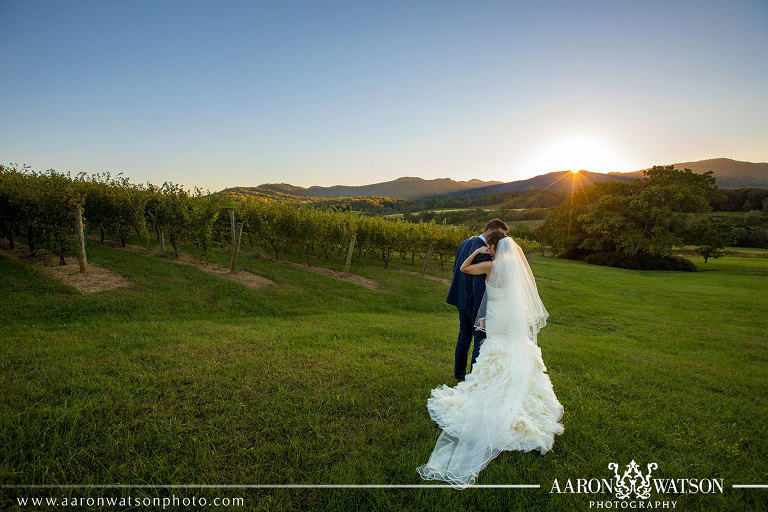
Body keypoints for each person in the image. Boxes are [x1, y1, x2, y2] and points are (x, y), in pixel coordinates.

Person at [417, 233, 564, 489]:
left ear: (493, 247)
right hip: (512, 321)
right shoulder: (517, 270)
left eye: (491, 247)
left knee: (494, 351)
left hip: (496, 319)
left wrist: (477, 253)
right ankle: (518, 390)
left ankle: (493, 388)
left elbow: (464, 268)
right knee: (515, 351)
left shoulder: (490, 265)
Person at [446, 219, 509, 383]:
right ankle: (474, 379)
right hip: (475, 303)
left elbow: (456, 268)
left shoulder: (466, 242)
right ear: (491, 232)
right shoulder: (485, 252)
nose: (501, 239)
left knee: (463, 337)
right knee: (479, 341)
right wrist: (482, 310)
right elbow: (478, 284)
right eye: (501, 234)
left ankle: (458, 375)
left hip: (460, 298)